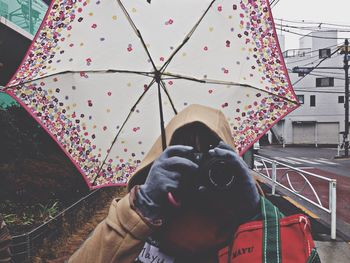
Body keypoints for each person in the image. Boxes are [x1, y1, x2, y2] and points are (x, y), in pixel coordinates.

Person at [69, 104, 261, 263]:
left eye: (209, 158)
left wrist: (254, 213)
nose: (197, 167)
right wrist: (141, 209)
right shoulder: (144, 211)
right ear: (160, 159)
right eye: (185, 157)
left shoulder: (240, 206)